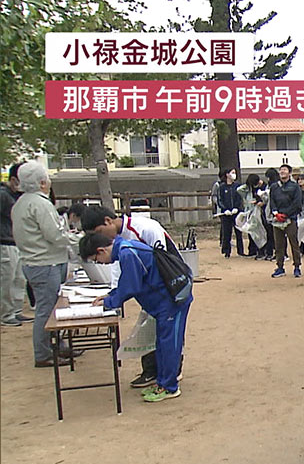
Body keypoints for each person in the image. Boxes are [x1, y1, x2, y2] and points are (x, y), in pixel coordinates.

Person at [80, 231, 191, 402]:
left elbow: (131, 286)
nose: (99, 263)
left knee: (169, 343)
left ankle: (170, 387)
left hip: (170, 302)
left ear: (101, 250)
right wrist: (111, 295)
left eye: (96, 260)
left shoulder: (127, 254)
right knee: (161, 342)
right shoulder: (126, 248)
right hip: (162, 302)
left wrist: (109, 302)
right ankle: (162, 382)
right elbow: (128, 282)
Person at [81, 204, 177, 387]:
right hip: (150, 294)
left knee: (167, 336)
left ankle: (169, 378)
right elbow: (124, 273)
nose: (100, 238)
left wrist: (114, 300)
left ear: (108, 221)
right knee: (153, 332)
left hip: (168, 291)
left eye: (99, 232)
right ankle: (155, 373)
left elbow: (164, 262)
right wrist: (113, 293)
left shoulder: (145, 229)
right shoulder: (118, 244)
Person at [11, 162, 75, 367]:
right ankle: (44, 353)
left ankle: (55, 346)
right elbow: (55, 235)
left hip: (35, 262)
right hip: (45, 264)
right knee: (47, 310)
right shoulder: (40, 204)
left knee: (49, 308)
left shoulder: (21, 202)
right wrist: (78, 240)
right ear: (41, 182)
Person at [0, 164, 31, 327]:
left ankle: (16, 310)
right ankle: (6, 314)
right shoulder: (3, 195)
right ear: (13, 180)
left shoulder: (16, 196)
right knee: (7, 279)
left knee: (19, 279)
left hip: (17, 242)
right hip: (5, 243)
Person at [269, 163, 304, 279]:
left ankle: (297, 266)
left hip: (291, 219)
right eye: (281, 170)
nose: (282, 172)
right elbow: (272, 201)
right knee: (278, 244)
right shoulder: (274, 187)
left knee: (294, 243)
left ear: (289, 173)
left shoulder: (295, 187)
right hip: (277, 219)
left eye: (285, 170)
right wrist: (275, 213)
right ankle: (279, 266)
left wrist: (286, 214)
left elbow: (297, 203)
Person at [214, 168, 241, 258]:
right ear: (227, 174)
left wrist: (236, 207)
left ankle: (240, 251)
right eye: (232, 173)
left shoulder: (237, 186)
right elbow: (219, 199)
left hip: (236, 212)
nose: (234, 174)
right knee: (226, 232)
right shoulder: (222, 187)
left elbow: (239, 198)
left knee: (238, 232)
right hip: (226, 214)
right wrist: (225, 209)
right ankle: (226, 251)